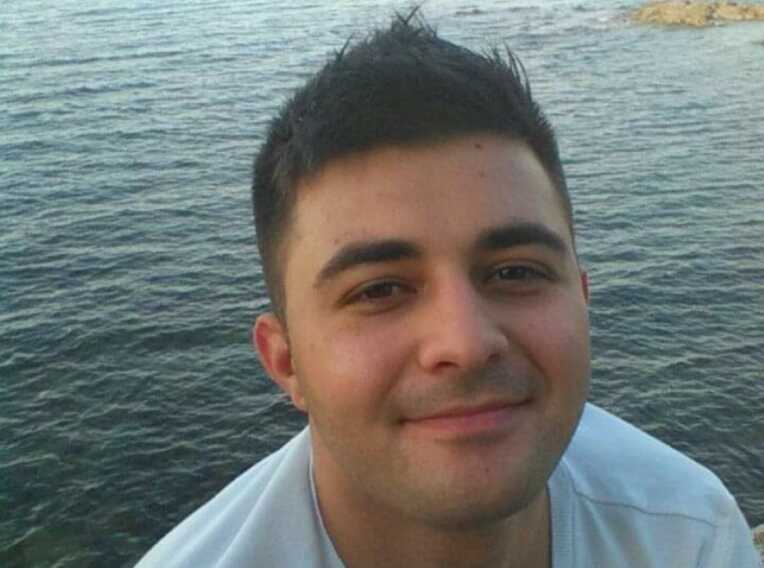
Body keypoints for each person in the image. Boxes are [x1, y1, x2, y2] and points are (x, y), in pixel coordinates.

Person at [136, 13, 760, 568]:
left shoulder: (689, 536)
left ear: (582, 298)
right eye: (379, 289)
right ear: (285, 361)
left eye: (515, 272)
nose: (465, 343)